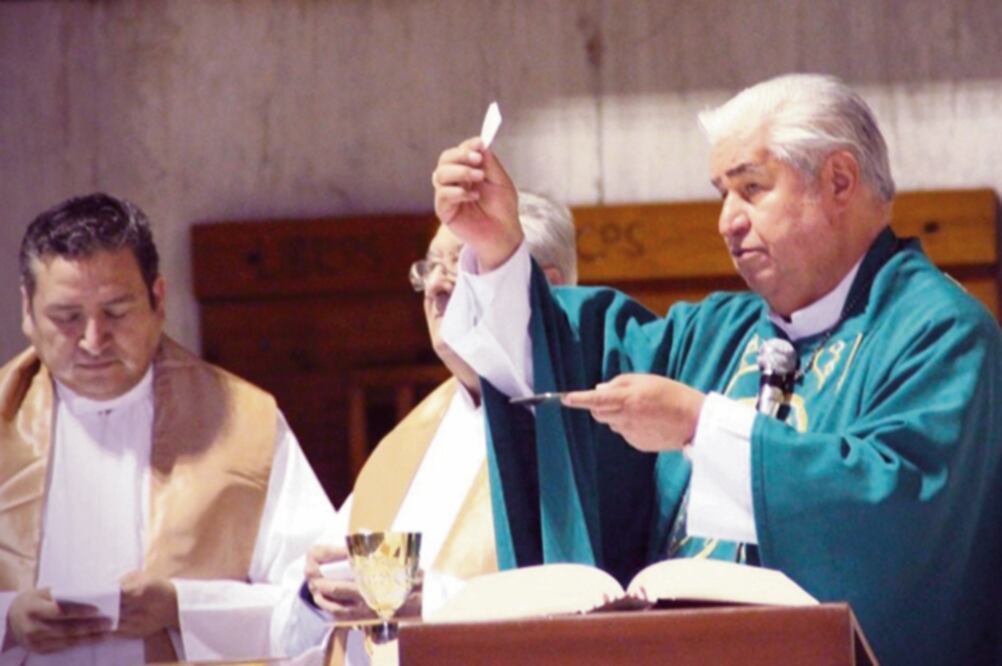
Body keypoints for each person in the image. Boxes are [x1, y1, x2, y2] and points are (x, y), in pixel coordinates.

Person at [432, 74, 1002, 666]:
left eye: (751, 189)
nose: (727, 220)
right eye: (721, 194)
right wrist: (497, 250)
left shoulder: (939, 333)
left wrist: (701, 429)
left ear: (839, 180)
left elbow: (896, 513)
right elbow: (564, 355)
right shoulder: (718, 334)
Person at [0, 193, 336, 665]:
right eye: (67, 317)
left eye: (116, 311)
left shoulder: (244, 424)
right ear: (27, 311)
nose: (94, 340)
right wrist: (9, 620)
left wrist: (183, 607)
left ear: (158, 299)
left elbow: (313, 604)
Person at [274, 192, 578, 660]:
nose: (437, 284)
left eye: (462, 262)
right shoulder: (412, 438)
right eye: (431, 265)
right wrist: (314, 592)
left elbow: (589, 601)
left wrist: (431, 603)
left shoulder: (581, 428)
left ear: (545, 287)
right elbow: (305, 610)